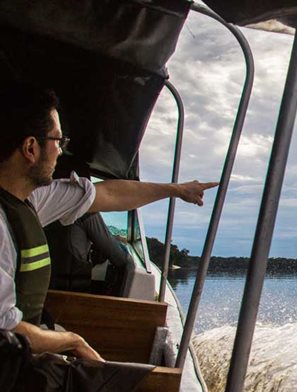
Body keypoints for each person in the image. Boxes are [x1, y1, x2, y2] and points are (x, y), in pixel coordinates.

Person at [0, 82, 217, 361]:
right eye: (58, 141)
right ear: (31, 148)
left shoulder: (31, 200)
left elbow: (109, 194)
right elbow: (7, 331)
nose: (61, 151)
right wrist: (73, 341)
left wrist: (176, 190)